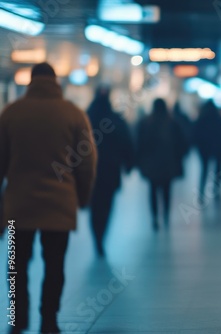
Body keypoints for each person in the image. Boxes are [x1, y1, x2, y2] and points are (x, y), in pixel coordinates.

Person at [0, 62, 97, 334]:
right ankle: (49, 319)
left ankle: (17, 318)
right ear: (56, 82)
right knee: (55, 266)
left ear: (31, 81)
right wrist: (83, 197)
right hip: (59, 206)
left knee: (15, 266)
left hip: (18, 207)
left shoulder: (11, 113)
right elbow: (87, 162)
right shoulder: (73, 114)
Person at [87, 86, 134, 256]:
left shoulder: (86, 117)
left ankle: (96, 236)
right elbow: (126, 142)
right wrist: (128, 164)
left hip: (90, 172)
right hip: (110, 171)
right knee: (106, 205)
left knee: (94, 206)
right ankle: (101, 237)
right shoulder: (115, 119)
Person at [137, 98, 187, 229]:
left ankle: (154, 217)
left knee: (152, 190)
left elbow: (139, 144)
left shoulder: (146, 123)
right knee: (166, 190)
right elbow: (182, 144)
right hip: (168, 164)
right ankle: (166, 216)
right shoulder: (172, 122)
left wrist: (139, 162)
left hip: (151, 165)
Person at [193, 100, 221, 201]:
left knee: (204, 170)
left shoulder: (201, 120)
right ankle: (216, 191)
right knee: (217, 170)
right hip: (217, 149)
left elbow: (195, 135)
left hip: (204, 149)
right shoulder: (219, 119)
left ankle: (201, 192)